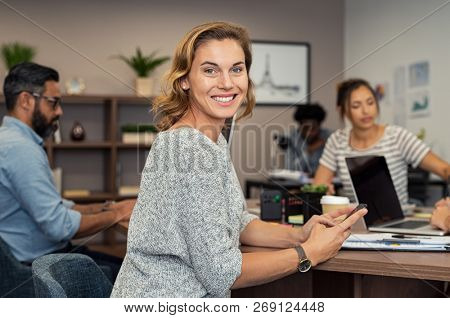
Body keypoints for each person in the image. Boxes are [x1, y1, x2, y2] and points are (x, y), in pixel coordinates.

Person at [111, 21, 367, 298]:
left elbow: (238, 221)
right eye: (210, 70)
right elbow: (224, 272)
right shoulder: (188, 148)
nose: (227, 83)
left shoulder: (211, 139)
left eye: (237, 69)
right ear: (184, 80)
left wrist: (300, 234)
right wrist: (309, 253)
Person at [0, 62, 135, 280]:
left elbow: (53, 206)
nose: (60, 111)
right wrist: (118, 214)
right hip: (41, 265)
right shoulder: (20, 149)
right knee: (133, 274)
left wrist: (106, 207)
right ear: (26, 100)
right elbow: (58, 226)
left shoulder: (11, 141)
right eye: (53, 103)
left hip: (41, 257)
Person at [314, 78, 449, 204]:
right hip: (356, 221)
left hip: (396, 222)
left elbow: (444, 169)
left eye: (370, 102)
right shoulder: (337, 141)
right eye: (356, 106)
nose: (366, 111)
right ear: (342, 110)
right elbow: (318, 186)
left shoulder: (397, 136)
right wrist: (323, 190)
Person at [281, 103, 330, 175]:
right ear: (300, 125)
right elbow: (290, 169)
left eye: (313, 128)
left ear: (319, 125)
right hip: (297, 183)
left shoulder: (329, 137)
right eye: (305, 128)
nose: (309, 132)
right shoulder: (290, 138)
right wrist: (308, 151)